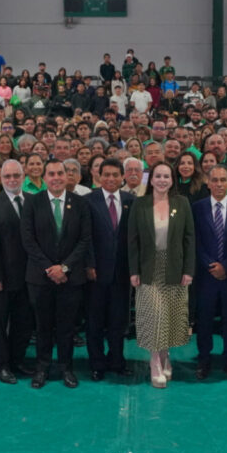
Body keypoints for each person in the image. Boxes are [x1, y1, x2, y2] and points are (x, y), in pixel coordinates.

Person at [22, 159, 92, 389]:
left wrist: (64, 267)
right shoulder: (33, 202)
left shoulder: (80, 203)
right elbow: (28, 240)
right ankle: (42, 367)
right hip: (40, 278)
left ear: (67, 176)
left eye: (60, 173)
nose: (56, 177)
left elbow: (84, 240)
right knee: (42, 326)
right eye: (51, 174)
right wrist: (49, 268)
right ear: (44, 177)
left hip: (70, 278)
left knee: (66, 326)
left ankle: (66, 367)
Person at [128, 162, 195, 388]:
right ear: (151, 179)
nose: (163, 180)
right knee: (154, 316)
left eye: (167, 176)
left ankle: (165, 355)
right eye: (158, 176)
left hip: (174, 268)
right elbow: (133, 240)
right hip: (149, 267)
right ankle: (155, 362)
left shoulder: (182, 203)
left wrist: (188, 270)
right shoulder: (140, 204)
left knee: (169, 317)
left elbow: (189, 239)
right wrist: (134, 271)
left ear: (172, 179)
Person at [0, 160, 36, 384]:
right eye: (7, 176)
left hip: (29, 276)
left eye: (16, 175)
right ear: (1, 180)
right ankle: (1, 366)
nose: (12, 180)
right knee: (0, 323)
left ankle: (17, 360)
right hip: (2, 277)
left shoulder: (33, 201)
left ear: (23, 177)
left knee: (23, 322)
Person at [192, 165, 227, 380]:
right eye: (215, 180)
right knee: (204, 320)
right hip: (206, 276)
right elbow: (194, 240)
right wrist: (210, 265)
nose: (219, 184)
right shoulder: (197, 208)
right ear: (208, 182)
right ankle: (204, 360)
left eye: (223, 180)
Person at [83, 158, 135, 381]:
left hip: (122, 273)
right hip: (95, 272)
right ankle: (96, 363)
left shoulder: (131, 201)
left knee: (118, 321)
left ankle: (117, 361)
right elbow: (84, 236)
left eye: (116, 175)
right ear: (98, 176)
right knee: (94, 321)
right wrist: (89, 263)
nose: (111, 179)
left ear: (123, 177)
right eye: (107, 175)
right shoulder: (87, 201)